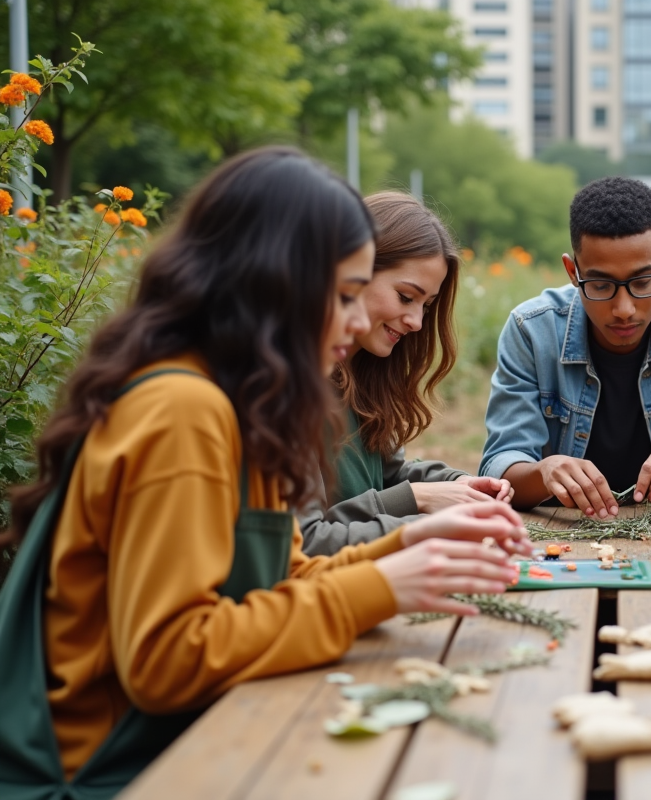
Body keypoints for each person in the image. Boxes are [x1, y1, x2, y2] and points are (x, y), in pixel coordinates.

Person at [0, 147, 529, 799]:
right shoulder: (182, 412)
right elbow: (166, 661)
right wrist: (379, 586)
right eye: (345, 296)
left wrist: (407, 547)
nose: (363, 321)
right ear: (271, 281)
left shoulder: (239, 404)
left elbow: (285, 571)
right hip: (112, 774)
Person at [480, 176, 651, 517]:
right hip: (562, 534)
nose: (624, 309)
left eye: (643, 282)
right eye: (600, 285)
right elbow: (499, 466)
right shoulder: (531, 330)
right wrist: (544, 471)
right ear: (572, 271)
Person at [300, 192, 513, 556]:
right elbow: (306, 542)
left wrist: (461, 486)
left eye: (426, 306)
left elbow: (391, 476)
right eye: (405, 297)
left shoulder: (363, 371)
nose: (416, 323)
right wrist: (422, 507)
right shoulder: (290, 386)